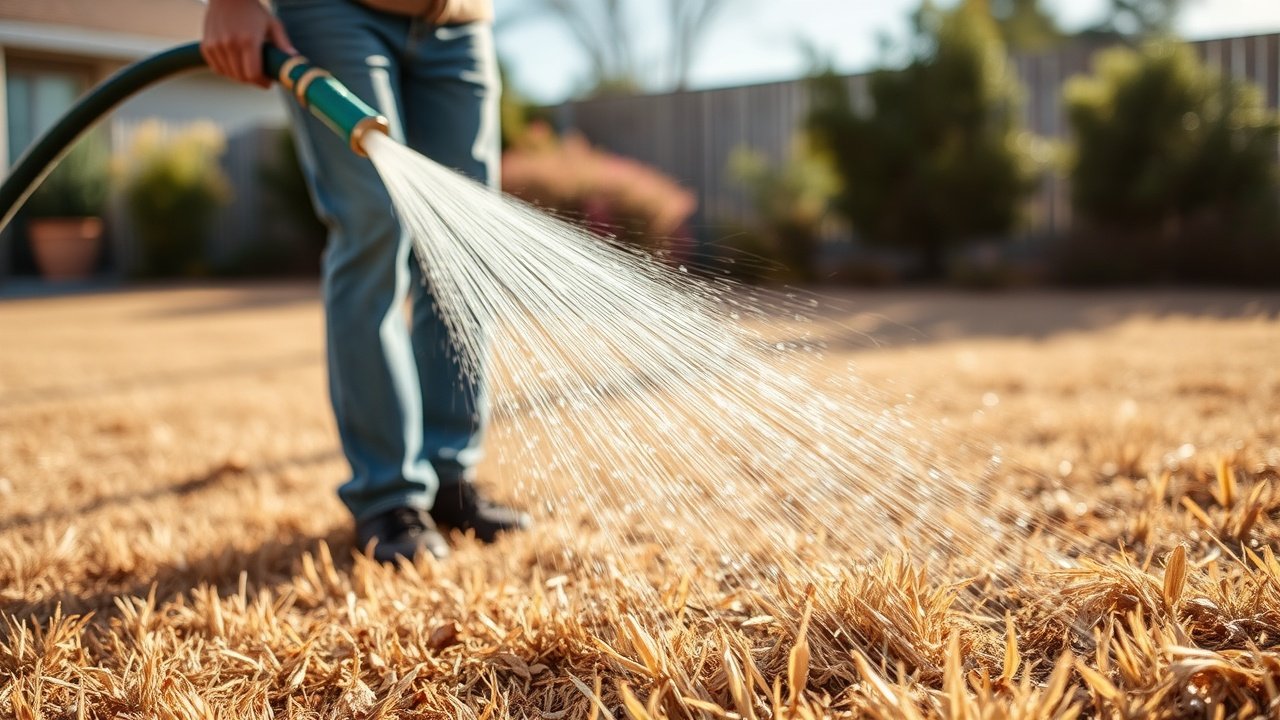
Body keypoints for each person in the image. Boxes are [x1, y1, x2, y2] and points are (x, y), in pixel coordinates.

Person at [201, 0, 529, 561]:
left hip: (460, 20)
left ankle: (448, 476)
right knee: (373, 223)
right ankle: (389, 494)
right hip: (336, 12)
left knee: (464, 247)